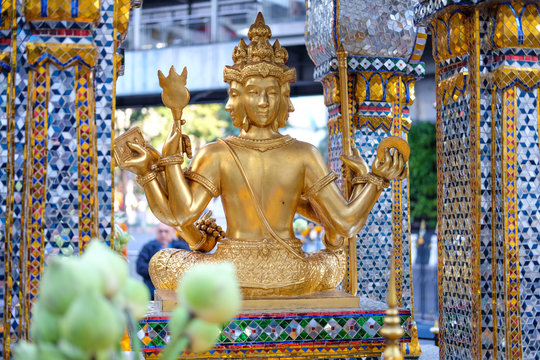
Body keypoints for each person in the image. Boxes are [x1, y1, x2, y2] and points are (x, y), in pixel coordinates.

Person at [119, 13, 407, 297]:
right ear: (238, 96)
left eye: (272, 92)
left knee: (161, 264)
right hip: (295, 273)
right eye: (254, 91)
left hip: (231, 275)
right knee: (334, 262)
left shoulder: (219, 152)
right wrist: (374, 181)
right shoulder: (301, 153)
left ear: (283, 96)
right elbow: (344, 224)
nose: (263, 101)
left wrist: (164, 165)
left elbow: (180, 216)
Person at [136, 223, 190, 298]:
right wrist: (160, 270)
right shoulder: (148, 247)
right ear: (156, 232)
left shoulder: (182, 247)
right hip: (152, 293)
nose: (163, 234)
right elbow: (140, 267)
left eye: (166, 231)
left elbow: (189, 266)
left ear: (173, 232)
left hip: (177, 294)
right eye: (160, 231)